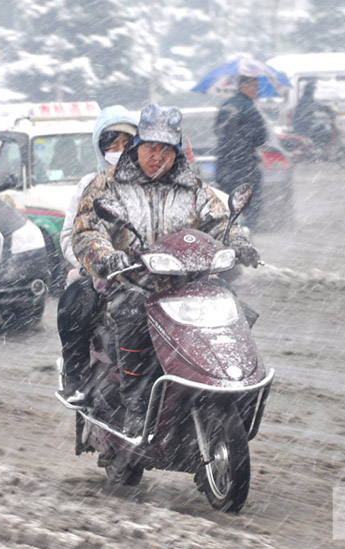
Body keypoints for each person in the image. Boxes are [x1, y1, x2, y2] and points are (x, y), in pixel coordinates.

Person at [71, 104, 260, 437]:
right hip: (133, 285)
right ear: (137, 147)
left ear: (177, 152)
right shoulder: (107, 186)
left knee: (235, 310)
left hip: (190, 286)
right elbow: (87, 231)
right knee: (129, 317)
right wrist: (106, 257)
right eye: (150, 148)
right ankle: (136, 405)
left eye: (165, 149)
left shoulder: (193, 189)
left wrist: (239, 242)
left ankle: (234, 385)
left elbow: (219, 221)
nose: (157, 156)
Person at [57, 106, 138, 405]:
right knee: (76, 300)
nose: (119, 152)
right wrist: (98, 261)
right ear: (100, 150)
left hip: (154, 274)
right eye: (112, 146)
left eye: (127, 144)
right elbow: (70, 237)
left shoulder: (155, 185)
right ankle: (75, 377)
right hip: (106, 276)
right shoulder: (90, 186)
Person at [214, 75, 269, 229]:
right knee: (249, 203)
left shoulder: (225, 106)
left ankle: (226, 232)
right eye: (254, 87)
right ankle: (245, 233)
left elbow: (217, 131)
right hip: (244, 165)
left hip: (224, 165)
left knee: (225, 202)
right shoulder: (249, 108)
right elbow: (260, 138)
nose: (256, 91)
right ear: (244, 87)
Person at [292, 79, 334, 148]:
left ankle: (319, 147)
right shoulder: (307, 99)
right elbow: (316, 106)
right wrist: (329, 109)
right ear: (310, 90)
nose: (314, 91)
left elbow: (315, 105)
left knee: (321, 128)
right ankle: (319, 148)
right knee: (323, 131)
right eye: (313, 89)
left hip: (303, 125)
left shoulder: (305, 98)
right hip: (303, 127)